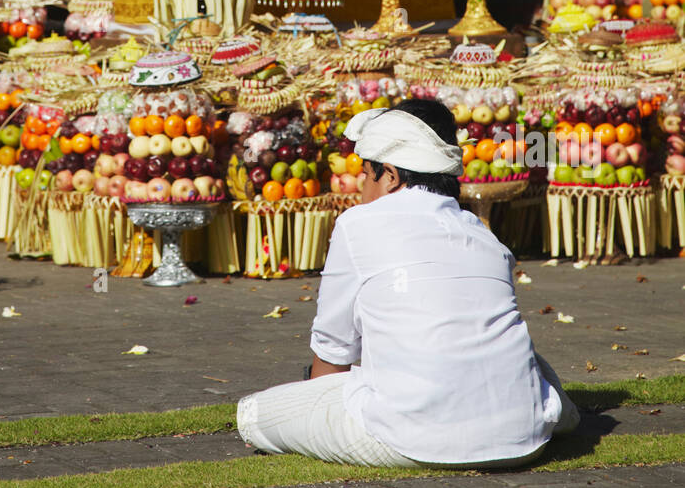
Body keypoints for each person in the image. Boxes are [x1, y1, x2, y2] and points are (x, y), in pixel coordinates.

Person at [237, 98, 580, 468]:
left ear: (390, 175)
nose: (360, 187)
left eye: (366, 174)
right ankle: (552, 413)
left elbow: (333, 354)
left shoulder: (357, 224)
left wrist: (316, 397)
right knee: (523, 358)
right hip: (525, 439)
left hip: (414, 439)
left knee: (256, 414)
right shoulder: (485, 237)